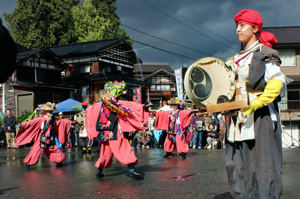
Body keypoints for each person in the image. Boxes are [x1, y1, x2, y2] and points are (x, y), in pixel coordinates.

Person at [225, 9, 285, 198]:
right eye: (236, 26)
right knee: (235, 162)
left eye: (242, 26)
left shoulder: (265, 53)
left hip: (260, 115)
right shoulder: (233, 58)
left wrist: (256, 103)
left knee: (261, 163)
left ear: (255, 28)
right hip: (237, 117)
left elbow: (276, 83)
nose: (238, 30)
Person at [85, 81, 151, 179]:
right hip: (114, 130)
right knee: (123, 147)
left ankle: (99, 171)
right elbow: (129, 106)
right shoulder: (115, 103)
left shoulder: (100, 104)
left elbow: (90, 110)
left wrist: (85, 109)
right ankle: (131, 170)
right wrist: (142, 106)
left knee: (105, 152)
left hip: (104, 131)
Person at [15, 102, 73, 170]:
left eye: (51, 111)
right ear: (45, 111)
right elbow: (31, 122)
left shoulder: (54, 119)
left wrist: (71, 122)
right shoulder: (41, 119)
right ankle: (28, 164)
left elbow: (62, 121)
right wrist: (22, 124)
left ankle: (59, 163)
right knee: (35, 151)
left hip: (51, 137)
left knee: (56, 150)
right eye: (49, 111)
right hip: (41, 138)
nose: (51, 113)